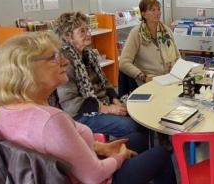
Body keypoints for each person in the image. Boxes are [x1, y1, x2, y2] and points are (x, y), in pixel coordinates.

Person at [0, 32, 183, 184]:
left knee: (136, 139)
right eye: (54, 57)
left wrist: (101, 148)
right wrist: (119, 157)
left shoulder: (6, 111)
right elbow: (94, 175)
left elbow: (54, 150)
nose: (65, 62)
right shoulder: (51, 120)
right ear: (27, 69)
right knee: (161, 154)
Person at [54, 12, 148, 154]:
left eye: (88, 29)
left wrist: (115, 100)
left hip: (101, 104)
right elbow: (70, 104)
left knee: (141, 116)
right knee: (133, 125)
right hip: (82, 115)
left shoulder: (88, 54)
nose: (88, 34)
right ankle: (118, 159)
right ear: (68, 37)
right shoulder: (65, 62)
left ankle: (134, 155)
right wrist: (107, 108)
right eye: (82, 31)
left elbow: (105, 82)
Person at [120, 0, 180, 84]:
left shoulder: (166, 31)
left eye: (158, 9)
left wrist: (180, 72)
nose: (157, 13)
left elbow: (177, 57)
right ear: (144, 14)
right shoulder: (136, 33)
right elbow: (124, 63)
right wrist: (143, 77)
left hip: (170, 79)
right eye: (153, 10)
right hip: (148, 82)